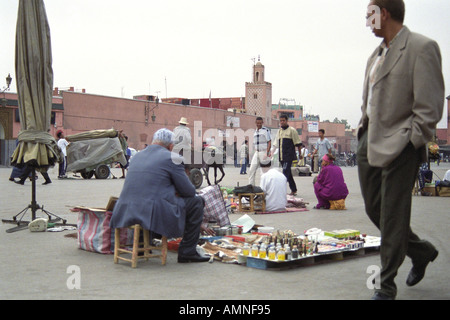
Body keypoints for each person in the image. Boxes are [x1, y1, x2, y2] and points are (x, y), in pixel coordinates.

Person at [357, 0, 444, 300]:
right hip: (369, 140)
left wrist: (412, 140)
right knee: (375, 209)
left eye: (370, 14)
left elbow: (430, 107)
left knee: (393, 213)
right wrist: (362, 130)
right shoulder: (376, 55)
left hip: (401, 144)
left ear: (385, 13)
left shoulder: (422, 48)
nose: (366, 21)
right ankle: (421, 252)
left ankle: (385, 286)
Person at [110, 128, 208, 263]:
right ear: (171, 146)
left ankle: (141, 244)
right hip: (152, 211)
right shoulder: (173, 158)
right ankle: (187, 252)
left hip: (124, 209)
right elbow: (189, 192)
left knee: (150, 199)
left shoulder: (136, 156)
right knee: (197, 202)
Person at [270, 114, 302, 196]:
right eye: (280, 121)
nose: (282, 122)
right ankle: (294, 189)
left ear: (287, 121)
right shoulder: (279, 131)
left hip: (289, 156)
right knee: (288, 173)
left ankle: (281, 191)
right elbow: (276, 143)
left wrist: (300, 154)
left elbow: (298, 143)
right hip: (282, 156)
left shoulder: (292, 130)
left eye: (283, 120)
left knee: (284, 173)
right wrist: (272, 152)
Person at [249, 117, 272, 185]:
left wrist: (267, 152)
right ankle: (251, 187)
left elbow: (269, 142)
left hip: (264, 152)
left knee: (264, 172)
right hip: (257, 152)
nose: (259, 124)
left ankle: (265, 188)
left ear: (262, 123)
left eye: (260, 123)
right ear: (255, 123)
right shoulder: (255, 132)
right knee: (251, 170)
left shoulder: (266, 130)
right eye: (257, 123)